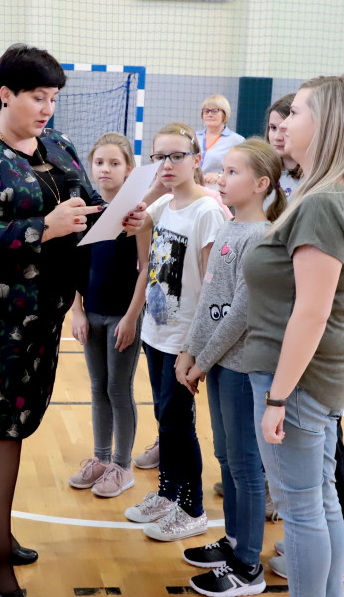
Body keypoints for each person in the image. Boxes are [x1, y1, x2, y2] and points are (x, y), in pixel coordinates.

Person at [0, 43, 146, 597]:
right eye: (38, 97)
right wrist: (43, 227)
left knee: (20, 421)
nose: (47, 108)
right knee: (0, 427)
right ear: (6, 94)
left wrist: (118, 219)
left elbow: (84, 210)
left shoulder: (58, 145)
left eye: (53, 98)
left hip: (43, 311)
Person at [243, 76, 344, 597]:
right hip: (316, 376)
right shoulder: (338, 193)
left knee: (302, 509)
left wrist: (278, 396)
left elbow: (312, 312)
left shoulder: (324, 202)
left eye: (296, 113)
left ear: (324, 125)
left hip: (298, 379)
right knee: (319, 500)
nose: (284, 123)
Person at [174, 138, 285, 596]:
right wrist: (189, 350)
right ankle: (235, 540)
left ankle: (248, 566)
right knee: (226, 458)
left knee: (245, 467)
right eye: (223, 171)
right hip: (218, 363)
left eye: (233, 172)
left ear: (261, 184)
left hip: (242, 368)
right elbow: (210, 302)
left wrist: (203, 358)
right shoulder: (229, 228)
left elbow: (241, 314)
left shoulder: (261, 238)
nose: (221, 178)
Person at [125, 122, 228, 542]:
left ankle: (193, 508)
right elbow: (128, 223)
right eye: (159, 157)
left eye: (176, 156)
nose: (166, 164)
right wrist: (149, 195)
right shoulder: (164, 204)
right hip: (156, 331)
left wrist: (193, 348)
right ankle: (168, 494)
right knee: (165, 419)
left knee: (178, 423)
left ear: (197, 159)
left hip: (184, 340)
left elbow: (212, 287)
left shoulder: (208, 211)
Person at [68, 133, 146, 498]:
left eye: (115, 163)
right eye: (100, 162)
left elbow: (146, 269)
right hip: (92, 315)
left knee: (119, 388)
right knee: (98, 388)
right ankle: (100, 459)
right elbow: (76, 268)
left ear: (129, 169)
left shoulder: (138, 216)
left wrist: (131, 317)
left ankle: (122, 465)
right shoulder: (86, 210)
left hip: (122, 317)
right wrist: (77, 311)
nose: (106, 169)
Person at [196, 95, 245, 186]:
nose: (209, 114)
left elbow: (243, 170)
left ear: (225, 114)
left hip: (217, 188)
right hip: (192, 188)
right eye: (206, 111)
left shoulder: (237, 141)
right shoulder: (193, 137)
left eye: (215, 111)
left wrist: (219, 175)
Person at [266, 93, 303, 202]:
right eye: (273, 128)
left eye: (285, 129)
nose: (277, 137)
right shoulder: (262, 172)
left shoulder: (310, 179)